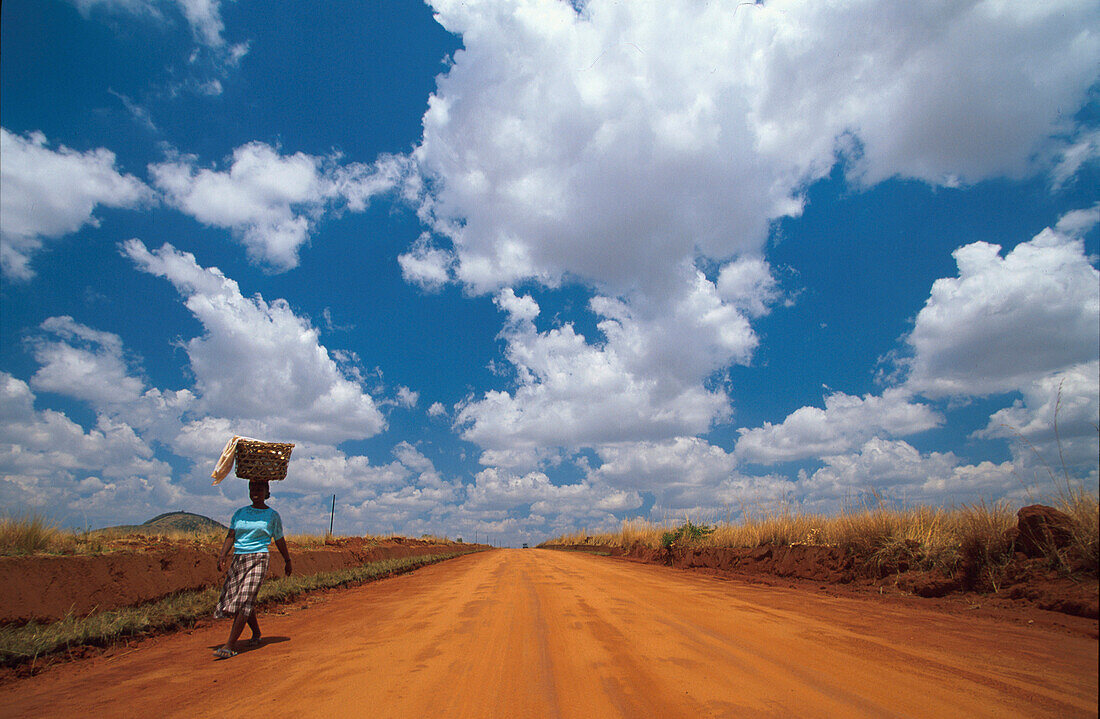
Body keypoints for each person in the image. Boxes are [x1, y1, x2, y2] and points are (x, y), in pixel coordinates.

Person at [213, 480, 292, 659]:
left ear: (267, 491)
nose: (255, 492)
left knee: (245, 598)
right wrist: (222, 555)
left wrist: (287, 560)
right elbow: (231, 535)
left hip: (259, 558)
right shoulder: (240, 513)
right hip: (239, 558)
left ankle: (230, 645)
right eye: (252, 489)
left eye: (259, 489)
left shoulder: (273, 516)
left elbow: (279, 539)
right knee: (242, 598)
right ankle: (256, 632)